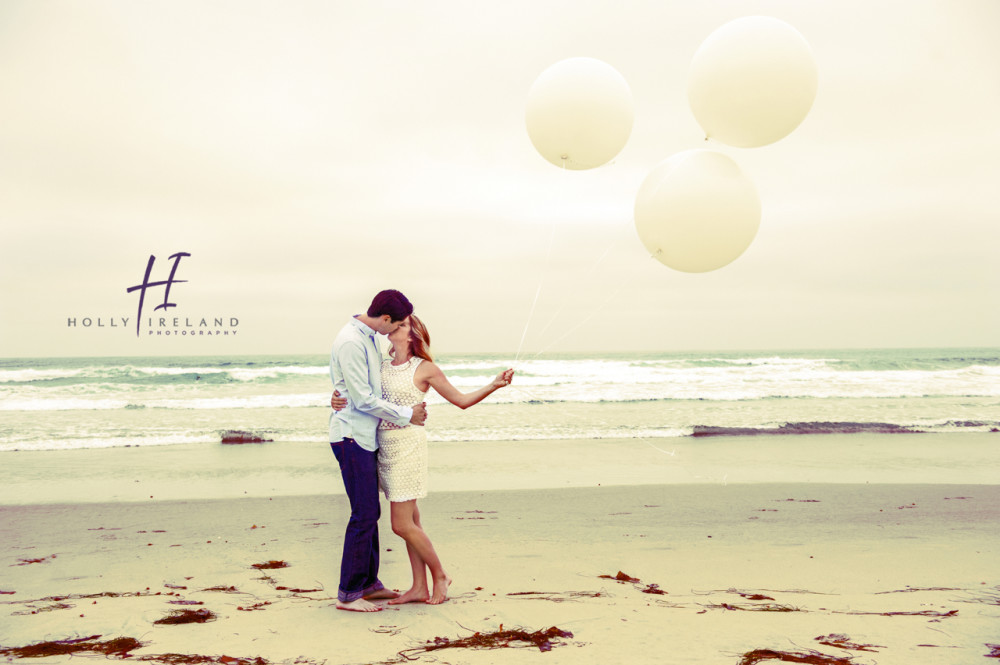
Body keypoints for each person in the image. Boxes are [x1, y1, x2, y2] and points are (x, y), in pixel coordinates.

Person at [332, 314, 513, 605]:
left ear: (413, 336)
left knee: (401, 525)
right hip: (382, 448)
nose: (393, 328)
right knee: (413, 520)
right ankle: (418, 587)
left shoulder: (425, 368)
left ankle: (440, 575)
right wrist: (337, 397)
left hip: (408, 448)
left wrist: (494, 385)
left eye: (401, 326)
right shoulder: (381, 366)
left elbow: (462, 401)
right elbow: (360, 392)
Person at [328, 290, 428, 613]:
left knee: (371, 512)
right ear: (385, 319)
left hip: (365, 437)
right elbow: (363, 400)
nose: (399, 329)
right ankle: (349, 593)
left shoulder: (369, 336)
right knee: (364, 514)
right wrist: (406, 415)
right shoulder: (352, 342)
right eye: (397, 324)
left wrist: (337, 393)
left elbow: (356, 386)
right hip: (351, 437)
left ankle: (369, 582)